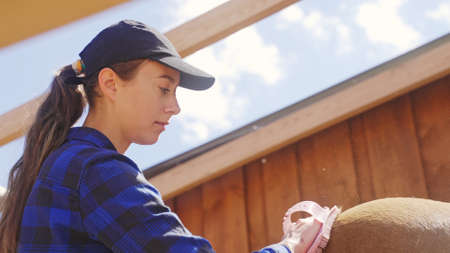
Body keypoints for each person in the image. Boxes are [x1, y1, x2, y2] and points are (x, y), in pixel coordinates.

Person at [0, 20, 305, 252]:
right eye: (164, 89)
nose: (175, 107)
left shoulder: (58, 164)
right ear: (110, 83)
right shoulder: (97, 170)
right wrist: (291, 245)